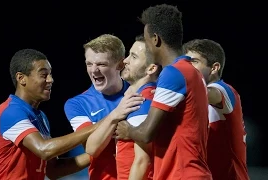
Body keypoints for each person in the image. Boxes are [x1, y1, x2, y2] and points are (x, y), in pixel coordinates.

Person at [115, 4, 213, 180]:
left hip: (181, 174)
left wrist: (128, 130)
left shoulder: (173, 73)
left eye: (146, 40)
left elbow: (146, 133)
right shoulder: (193, 72)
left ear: (155, 39)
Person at [0, 49, 100, 180]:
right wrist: (99, 126)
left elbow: (53, 170)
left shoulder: (40, 117)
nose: (51, 79)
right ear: (21, 78)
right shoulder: (11, 112)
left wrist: (98, 154)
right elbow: (44, 150)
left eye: (50, 74)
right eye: (43, 75)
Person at [64, 34, 144, 180]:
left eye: (101, 64)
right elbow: (92, 148)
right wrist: (116, 114)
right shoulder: (76, 104)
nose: (94, 70)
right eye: (89, 64)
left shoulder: (140, 93)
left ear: (120, 65)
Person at [85, 34, 160, 180]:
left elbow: (142, 161)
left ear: (151, 68)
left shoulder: (142, 100)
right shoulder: (133, 98)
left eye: (133, 57)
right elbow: (91, 149)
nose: (125, 61)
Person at [183, 39, 249, 180]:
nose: (188, 67)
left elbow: (207, 94)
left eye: (194, 61)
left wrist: (170, 90)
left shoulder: (223, 90)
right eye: (186, 62)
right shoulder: (192, 100)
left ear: (214, 68)